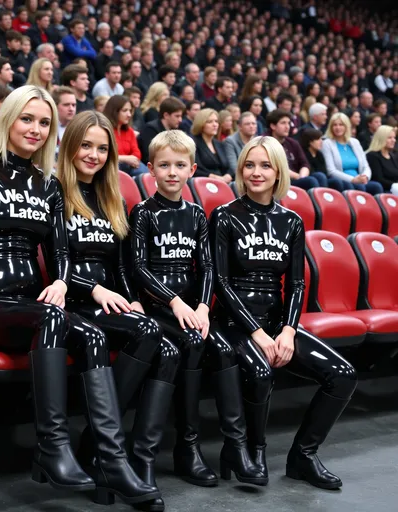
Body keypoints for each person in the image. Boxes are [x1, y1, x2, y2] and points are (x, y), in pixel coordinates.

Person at [0, 85, 159, 507]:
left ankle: (110, 459)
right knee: (54, 319)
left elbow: (60, 252)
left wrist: (62, 280)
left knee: (92, 334)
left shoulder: (47, 184)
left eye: (44, 123)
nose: (35, 129)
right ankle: (52, 446)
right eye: (27, 119)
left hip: (31, 304)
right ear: (9, 118)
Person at [209, 135, 357, 490]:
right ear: (240, 169)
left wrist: (288, 331)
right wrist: (258, 334)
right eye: (249, 165)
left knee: (343, 374)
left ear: (279, 172)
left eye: (265, 165)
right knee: (260, 374)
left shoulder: (290, 221)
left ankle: (302, 457)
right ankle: (253, 450)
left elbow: (296, 285)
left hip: (277, 321)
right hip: (233, 321)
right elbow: (221, 284)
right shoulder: (224, 216)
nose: (256, 172)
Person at [129, 130, 266, 492]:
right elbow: (139, 269)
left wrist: (204, 306)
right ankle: (185, 447)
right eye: (164, 165)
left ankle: (235, 447)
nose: (171, 172)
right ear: (150, 169)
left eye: (179, 165)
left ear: (192, 169)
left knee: (222, 348)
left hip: (194, 309)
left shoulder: (196, 214)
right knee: (191, 343)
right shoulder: (142, 212)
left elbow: (208, 268)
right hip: (159, 308)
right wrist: (174, 302)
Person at [57, 110, 176, 510]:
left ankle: (130, 458)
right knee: (148, 333)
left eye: (102, 148)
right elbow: (51, 263)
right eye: (86, 145)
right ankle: (108, 453)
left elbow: (122, 266)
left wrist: (135, 299)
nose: (93, 154)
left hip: (110, 301)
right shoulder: (54, 191)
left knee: (169, 348)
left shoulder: (113, 197)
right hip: (73, 301)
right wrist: (94, 289)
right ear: (70, 145)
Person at [322, 113, 384, 195]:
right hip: (343, 180)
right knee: (359, 187)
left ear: (346, 127)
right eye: (335, 125)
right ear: (331, 127)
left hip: (359, 179)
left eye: (341, 125)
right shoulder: (327, 143)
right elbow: (331, 171)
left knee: (376, 186)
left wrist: (365, 176)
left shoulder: (355, 142)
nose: (338, 128)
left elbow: (366, 166)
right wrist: (352, 179)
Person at [104, 95, 148, 176]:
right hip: (112, 167)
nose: (129, 115)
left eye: (130, 111)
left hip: (129, 166)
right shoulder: (105, 131)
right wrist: (126, 159)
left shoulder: (129, 131)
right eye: (125, 111)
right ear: (114, 111)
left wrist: (131, 159)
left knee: (145, 173)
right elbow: (105, 155)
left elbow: (137, 152)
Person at [299, 128, 351, 192]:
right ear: (310, 142)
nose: (321, 141)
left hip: (323, 178)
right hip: (312, 179)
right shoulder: (304, 153)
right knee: (320, 176)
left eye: (321, 139)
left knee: (340, 182)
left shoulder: (319, 154)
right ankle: (323, 198)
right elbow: (309, 171)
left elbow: (325, 171)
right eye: (318, 139)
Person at [137, 97, 185, 164]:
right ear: (166, 115)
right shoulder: (150, 129)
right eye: (177, 116)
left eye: (181, 116)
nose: (180, 120)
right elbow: (149, 156)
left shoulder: (176, 130)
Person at [191, 108, 232, 183]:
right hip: (202, 184)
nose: (215, 125)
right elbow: (195, 169)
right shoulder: (193, 143)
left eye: (216, 121)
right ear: (201, 124)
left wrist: (228, 175)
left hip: (223, 184)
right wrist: (214, 177)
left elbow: (228, 167)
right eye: (210, 122)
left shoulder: (219, 144)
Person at [366, 125, 398, 195]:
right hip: (385, 191)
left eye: (394, 138)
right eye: (390, 138)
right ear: (381, 138)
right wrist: (394, 185)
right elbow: (378, 179)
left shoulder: (392, 156)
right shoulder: (372, 156)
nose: (394, 140)